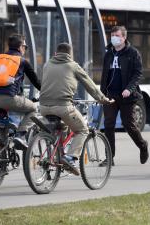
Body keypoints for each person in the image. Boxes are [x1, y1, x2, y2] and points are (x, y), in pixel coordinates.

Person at [39, 43, 113, 175]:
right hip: (62, 106)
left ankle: (57, 155)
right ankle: (70, 157)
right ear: (70, 54)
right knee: (82, 130)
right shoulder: (72, 65)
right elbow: (89, 84)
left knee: (64, 127)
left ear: (56, 53)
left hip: (43, 107)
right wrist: (103, 99)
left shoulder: (47, 64)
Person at [100, 25, 148, 166]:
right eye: (112, 35)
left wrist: (129, 88)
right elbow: (104, 75)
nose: (114, 38)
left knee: (129, 125)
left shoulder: (133, 53)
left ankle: (143, 145)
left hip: (127, 96)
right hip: (110, 95)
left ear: (124, 37)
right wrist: (101, 93)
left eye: (117, 35)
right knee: (108, 125)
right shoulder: (109, 53)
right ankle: (110, 158)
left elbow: (138, 73)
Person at [0, 34, 41, 148]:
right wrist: (46, 92)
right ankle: (20, 135)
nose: (25, 49)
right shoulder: (22, 61)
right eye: (25, 47)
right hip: (9, 99)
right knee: (33, 109)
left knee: (3, 129)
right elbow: (35, 81)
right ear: (21, 47)